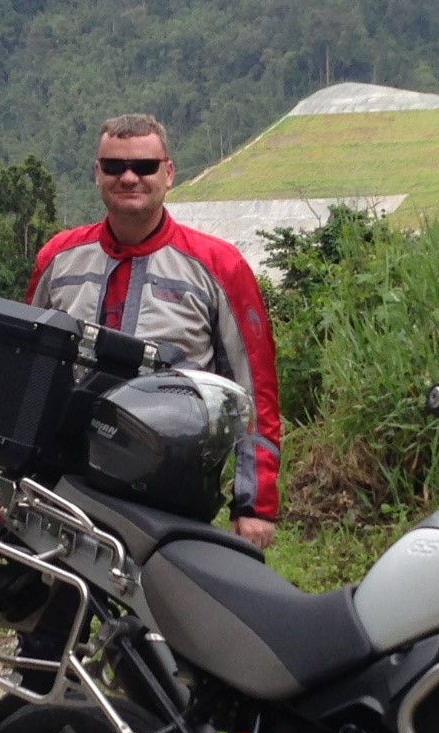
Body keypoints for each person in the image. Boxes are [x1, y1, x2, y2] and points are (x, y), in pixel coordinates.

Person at [27, 112, 281, 544]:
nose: (129, 177)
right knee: (38, 601)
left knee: (162, 608)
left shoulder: (219, 266)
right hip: (63, 475)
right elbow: (29, 372)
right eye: (114, 166)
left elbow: (252, 389)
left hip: (172, 483)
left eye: (144, 167)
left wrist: (254, 503)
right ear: (97, 173)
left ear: (168, 173)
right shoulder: (58, 258)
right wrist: (11, 471)